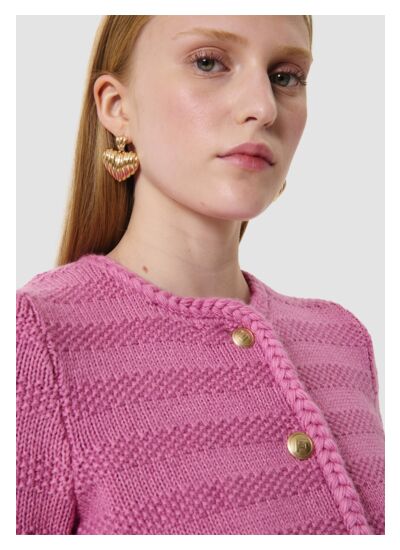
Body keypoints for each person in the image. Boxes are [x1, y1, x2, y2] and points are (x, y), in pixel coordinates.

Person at [16, 15, 384, 535]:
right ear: (117, 108)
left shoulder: (342, 339)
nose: (263, 107)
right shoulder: (39, 337)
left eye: (285, 76)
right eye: (208, 63)